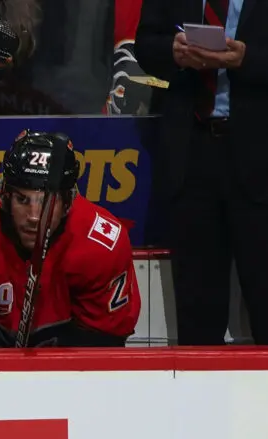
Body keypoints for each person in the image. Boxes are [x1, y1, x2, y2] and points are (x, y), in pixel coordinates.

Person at [136, 0, 268, 345]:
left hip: (258, 159)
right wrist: (172, 52)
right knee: (197, 317)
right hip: (191, 157)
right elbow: (146, 44)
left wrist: (246, 60)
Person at [0, 130, 140, 348]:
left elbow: (105, 342)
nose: (34, 216)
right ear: (4, 196)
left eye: (48, 201)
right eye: (22, 199)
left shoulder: (101, 244)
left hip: (69, 358)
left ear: (68, 202)